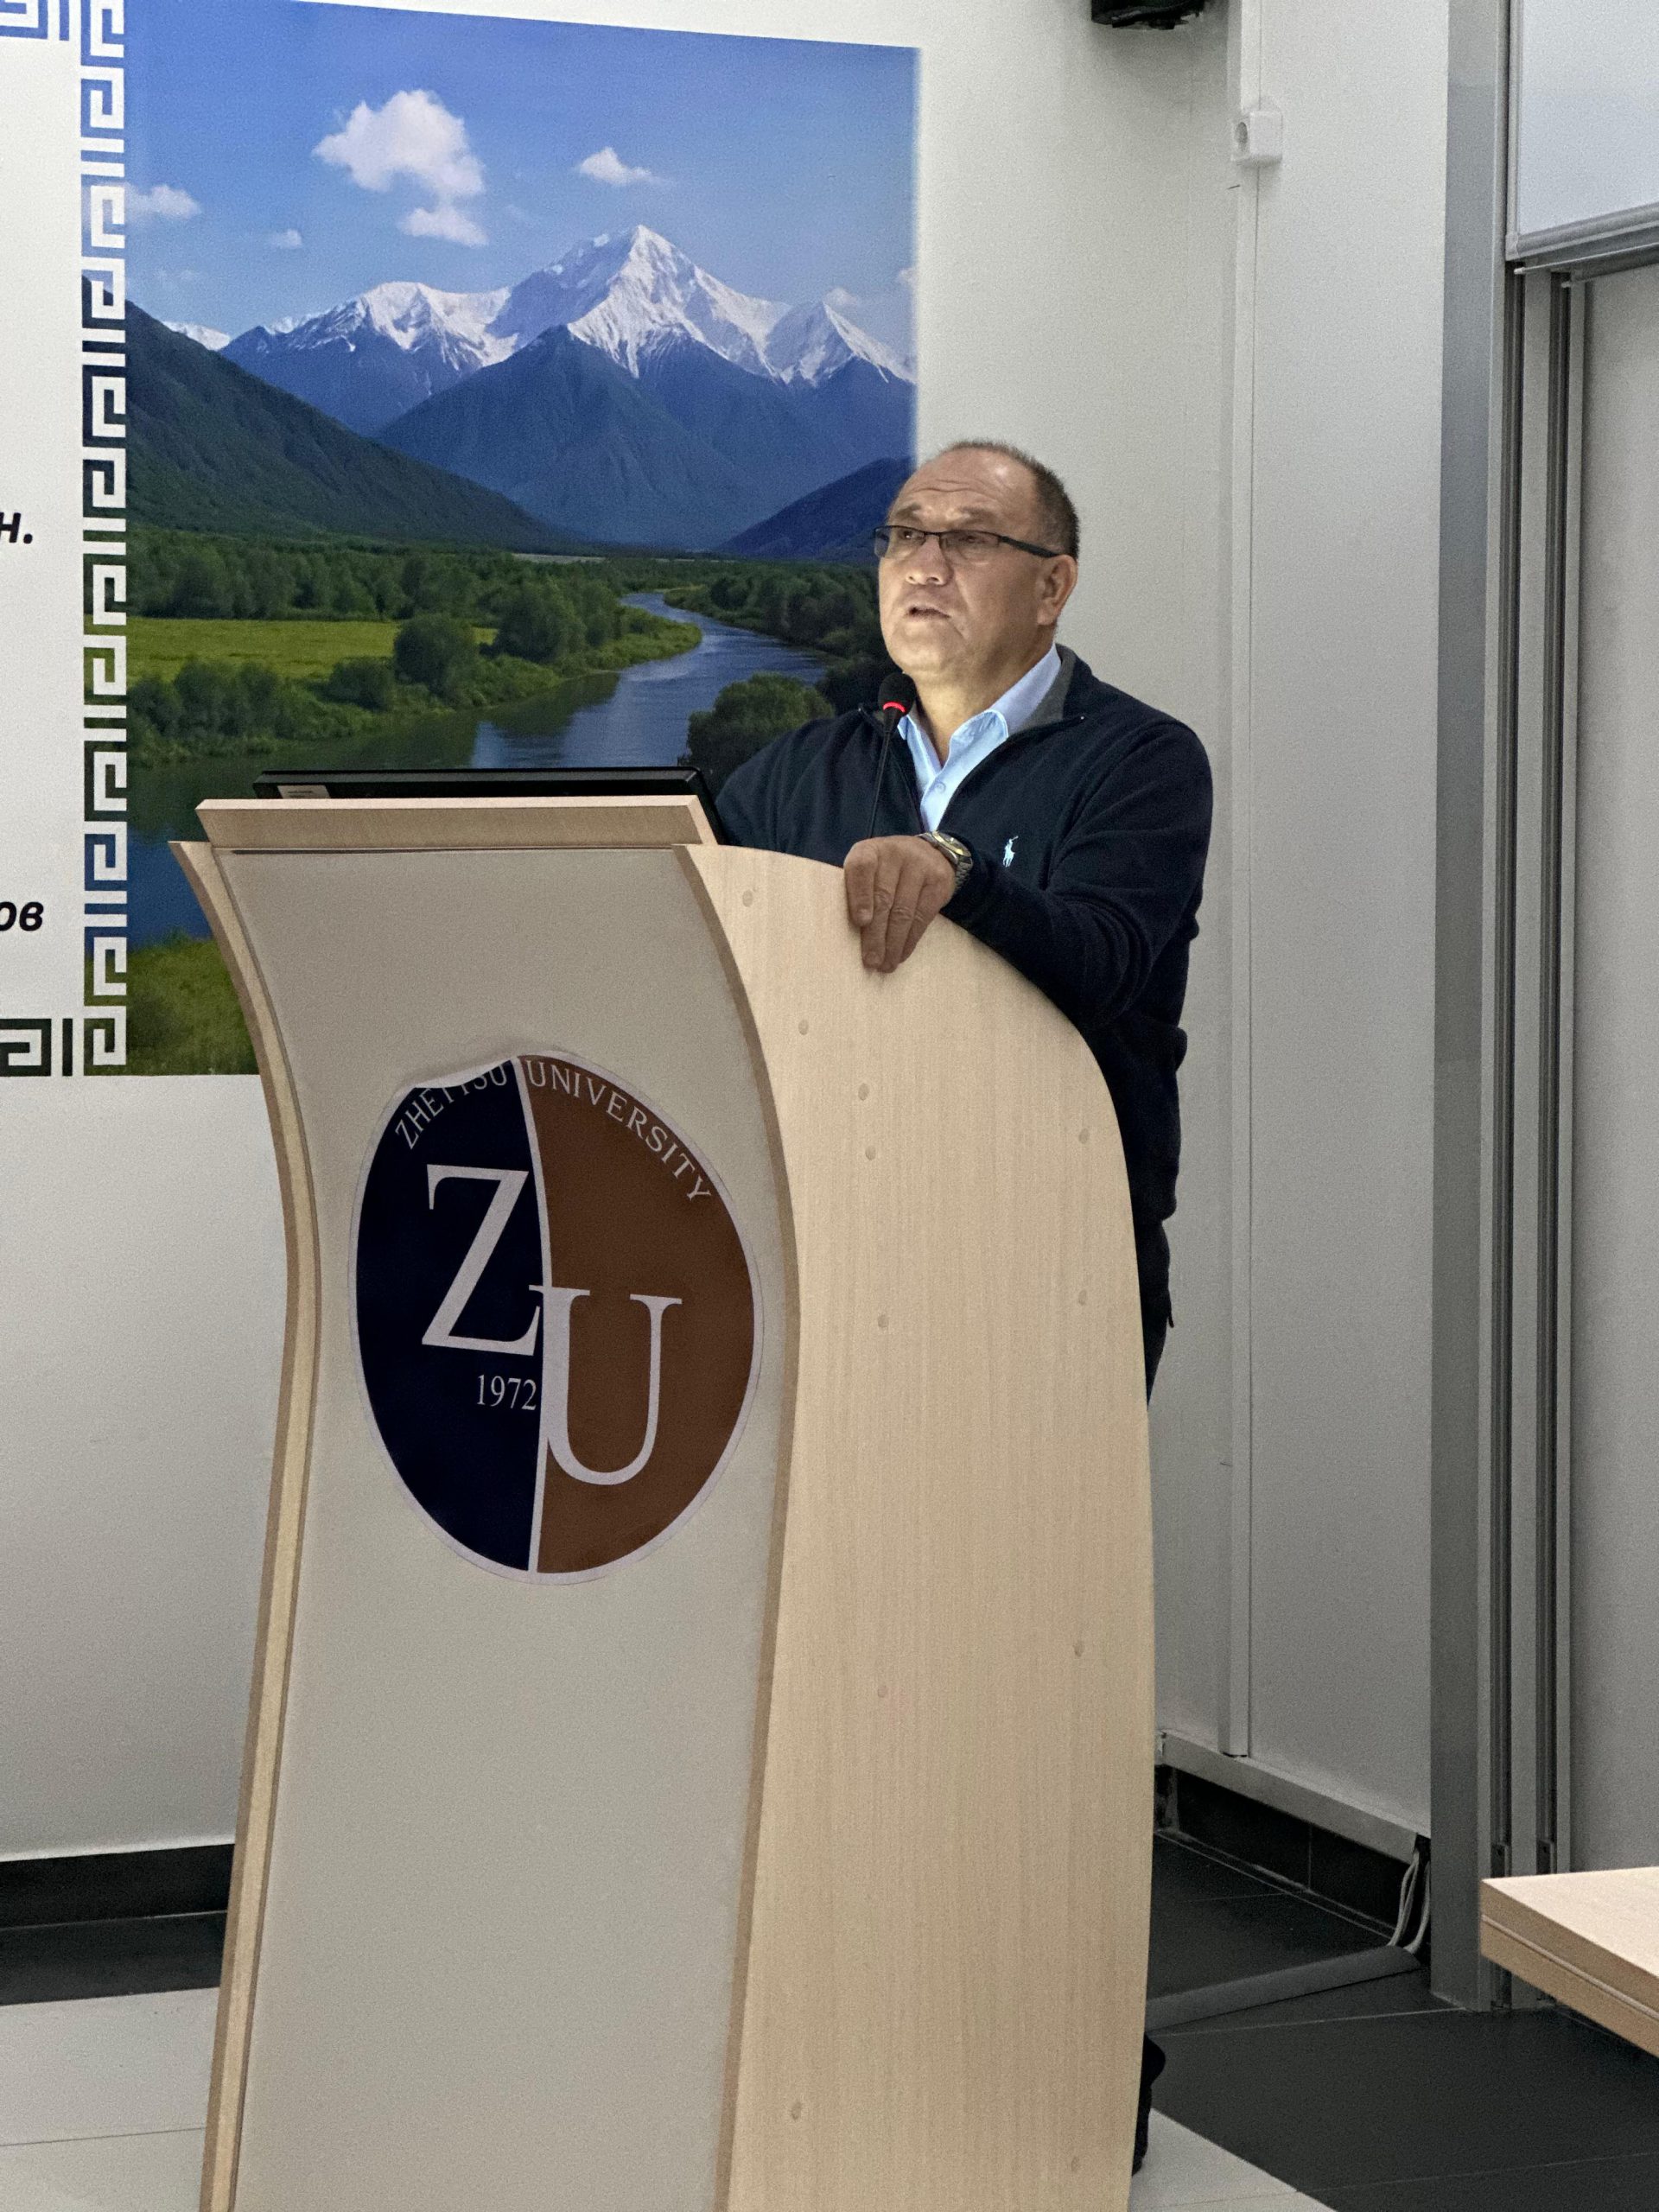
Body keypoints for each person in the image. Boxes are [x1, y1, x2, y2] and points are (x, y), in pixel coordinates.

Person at [715, 439, 1212, 2171]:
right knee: (844, 1678)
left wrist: (963, 880)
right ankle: (849, 2045)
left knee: (1020, 1683)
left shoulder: (1138, 761)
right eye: (903, 534)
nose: (923, 562)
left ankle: (1055, 2066)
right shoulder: (798, 767)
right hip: (822, 1278)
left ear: (1052, 584)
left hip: (1045, 1289)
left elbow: (1112, 963)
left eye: (970, 538)